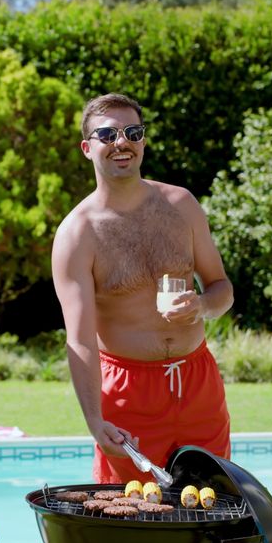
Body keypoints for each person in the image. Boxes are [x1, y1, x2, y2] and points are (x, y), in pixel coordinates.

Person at [52, 93, 235, 484]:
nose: (123, 142)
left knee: (215, 517)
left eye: (133, 132)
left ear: (144, 141)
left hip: (198, 384)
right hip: (127, 395)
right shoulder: (77, 233)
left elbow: (222, 289)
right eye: (108, 134)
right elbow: (81, 340)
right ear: (87, 148)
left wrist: (201, 305)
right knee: (131, 519)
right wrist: (94, 420)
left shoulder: (181, 204)